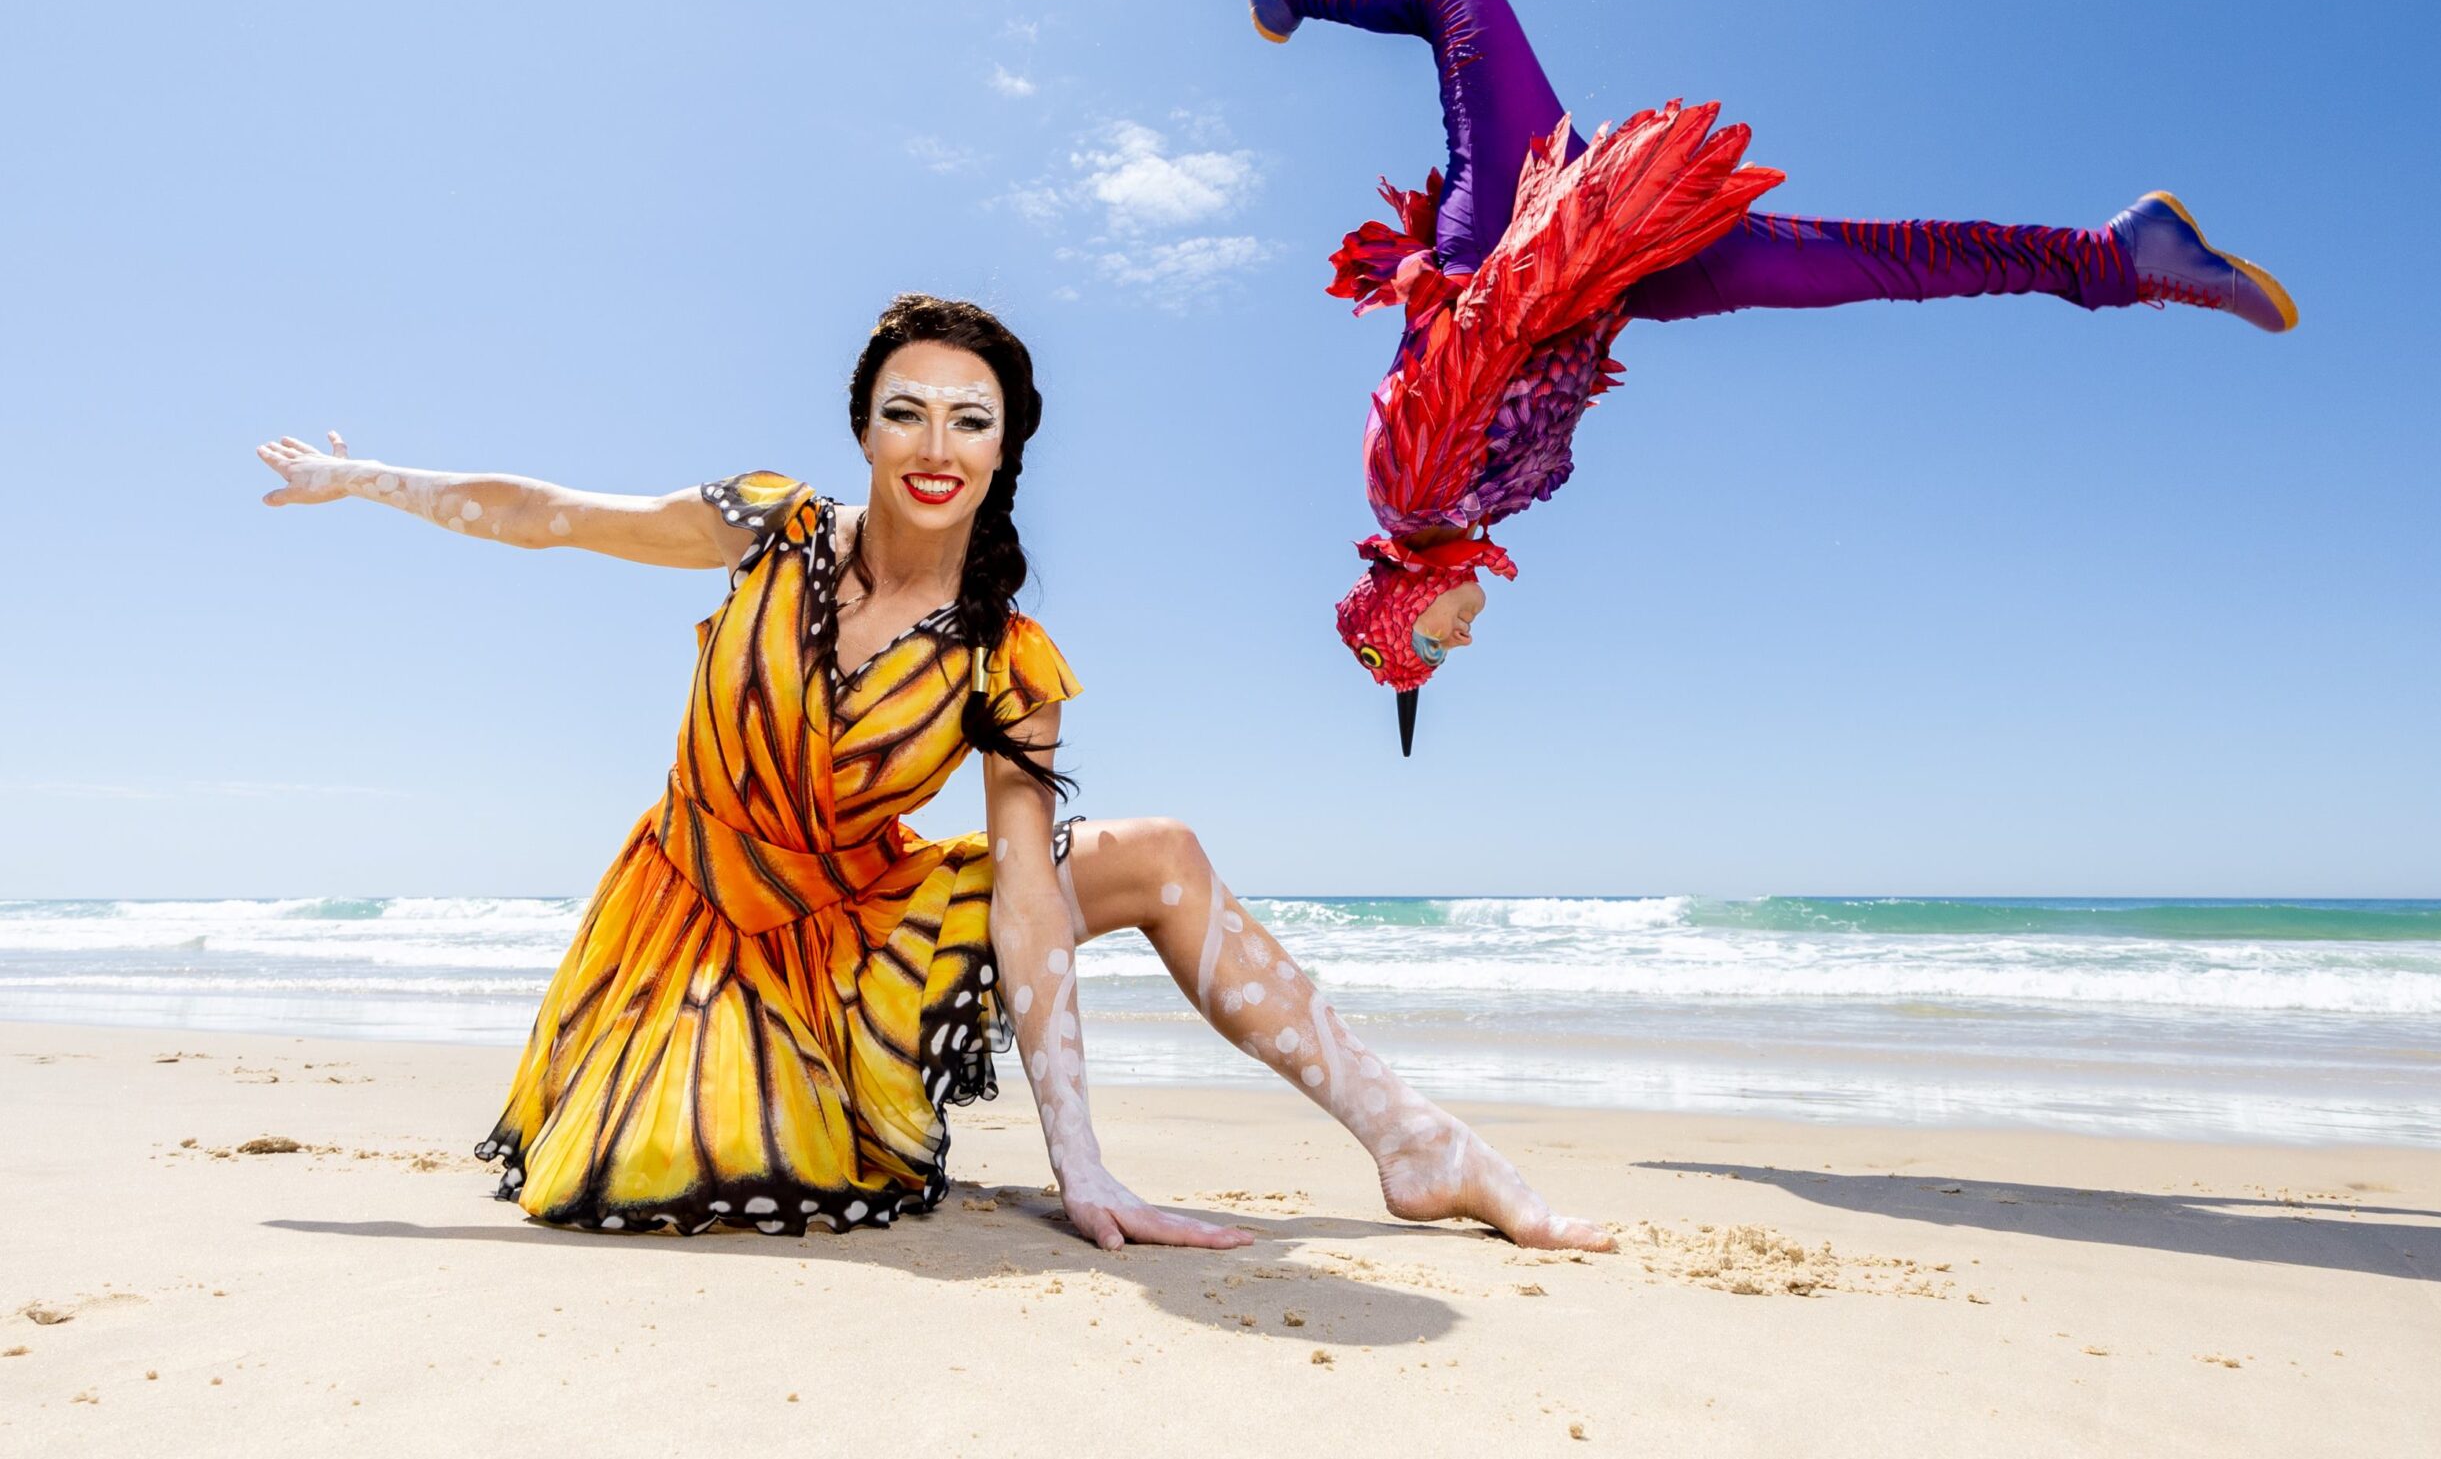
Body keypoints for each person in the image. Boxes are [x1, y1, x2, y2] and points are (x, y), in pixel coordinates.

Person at [256, 293, 1609, 1251]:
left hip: (870, 929)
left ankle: (1414, 1142)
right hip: (697, 926)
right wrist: (361, 477)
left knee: (1167, 852)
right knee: (674, 1165)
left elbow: (1027, 901)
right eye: (907, 413)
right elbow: (550, 515)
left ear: (1006, 446)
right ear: (863, 430)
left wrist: (1083, 1166)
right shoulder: (768, 527)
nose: (936, 445)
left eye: (971, 419)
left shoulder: (1009, 655)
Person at [1230, 0, 2298, 751]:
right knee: (1871, 262)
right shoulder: (1470, 513)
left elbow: (1481, 321)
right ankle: (2119, 258)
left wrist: (1597, 211)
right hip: (1613, 276)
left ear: (1402, 599)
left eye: (1427, 643)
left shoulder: (1408, 491)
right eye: (1440, 659)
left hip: (1535, 227)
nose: (1454, 645)